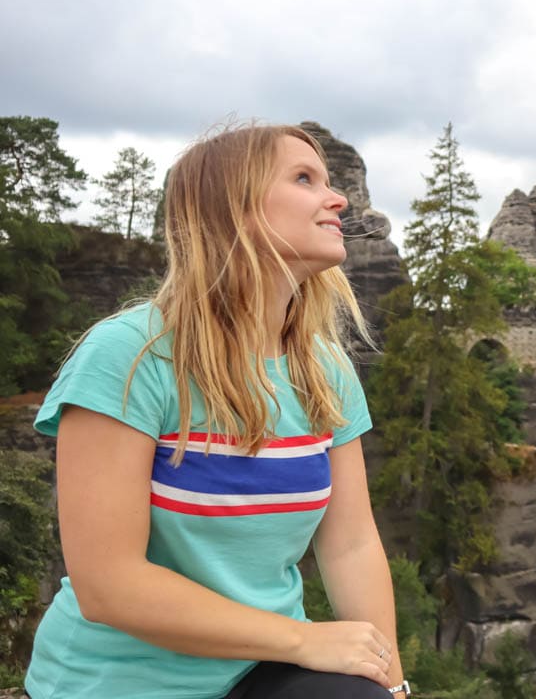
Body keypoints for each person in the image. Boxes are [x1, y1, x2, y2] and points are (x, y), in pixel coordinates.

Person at [24, 124, 409, 698]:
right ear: (234, 209)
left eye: (328, 180)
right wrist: (305, 641)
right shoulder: (129, 356)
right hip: (118, 682)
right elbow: (108, 584)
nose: (339, 199)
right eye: (305, 179)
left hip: (257, 670)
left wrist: (393, 684)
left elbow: (350, 545)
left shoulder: (325, 370)